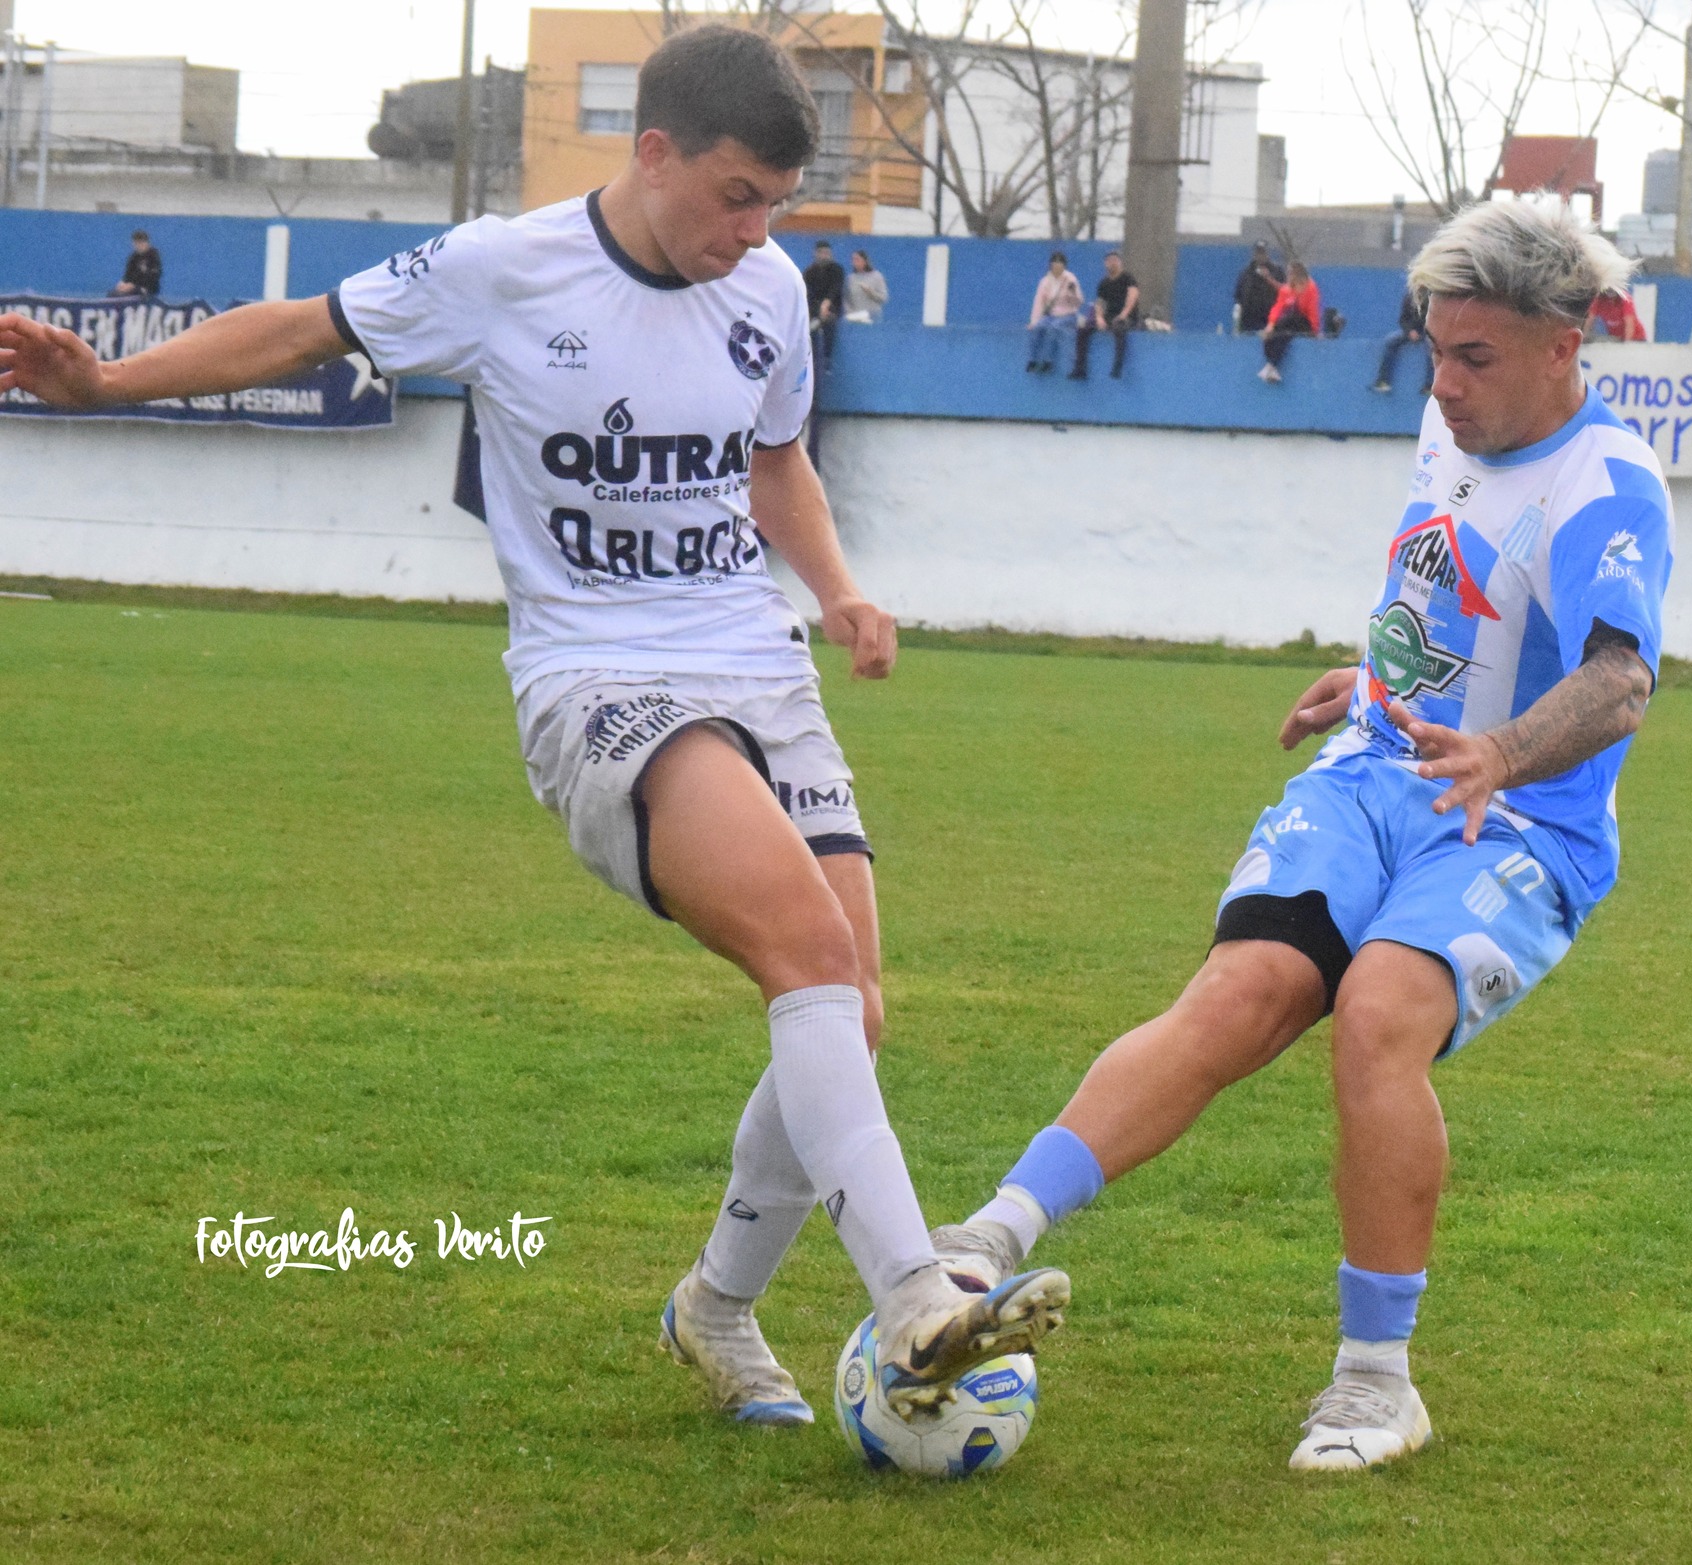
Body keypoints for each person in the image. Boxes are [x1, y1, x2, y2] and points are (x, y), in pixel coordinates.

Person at [0, 24, 1068, 1429]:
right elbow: (303, 326)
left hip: (756, 664)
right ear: (653, 153)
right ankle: (917, 1295)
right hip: (599, 680)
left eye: (779, 208)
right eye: (738, 196)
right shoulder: (505, 269)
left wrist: (844, 591)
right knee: (806, 954)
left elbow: (774, 459)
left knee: (849, 1012)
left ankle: (716, 1309)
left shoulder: (764, 295)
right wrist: (108, 386)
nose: (757, 233)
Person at [929, 199, 1670, 1474]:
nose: (1441, 384)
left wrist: (1492, 750)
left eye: (1474, 357)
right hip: (1376, 769)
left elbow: (1615, 678)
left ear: (1565, 341)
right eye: (1434, 350)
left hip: (1520, 815)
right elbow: (1448, 597)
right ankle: (986, 1237)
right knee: (1243, 989)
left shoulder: (1608, 482)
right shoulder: (1449, 430)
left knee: (1380, 1011)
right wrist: (1378, 679)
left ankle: (1374, 1383)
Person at [1071, 251, 1139, 380]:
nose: (1112, 263)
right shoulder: (1103, 283)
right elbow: (1100, 303)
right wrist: (1099, 318)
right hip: (1109, 316)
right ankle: (1080, 369)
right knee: (1083, 330)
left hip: (1127, 317)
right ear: (1105, 264)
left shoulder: (1128, 278)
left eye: (1115, 260)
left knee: (1119, 329)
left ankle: (1117, 367)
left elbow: (1133, 295)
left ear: (1120, 262)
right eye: (1109, 261)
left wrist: (1124, 314)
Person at [1257, 258, 1321, 384]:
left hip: (1305, 323)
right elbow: (1278, 307)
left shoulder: (1311, 288)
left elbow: (1313, 312)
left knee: (1289, 321)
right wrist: (1270, 325)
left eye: (1290, 274)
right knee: (1279, 332)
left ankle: (1271, 366)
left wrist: (1315, 331)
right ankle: (1271, 364)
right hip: (1292, 323)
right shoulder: (1287, 289)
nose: (1288, 276)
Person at [1026, 250, 1084, 373]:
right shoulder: (1045, 281)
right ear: (1050, 265)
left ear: (1064, 265)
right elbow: (1038, 302)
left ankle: (1048, 361)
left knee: (1054, 327)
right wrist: (1034, 321)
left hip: (1067, 315)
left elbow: (1079, 302)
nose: (1057, 265)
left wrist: (1072, 295)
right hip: (1051, 314)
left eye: (1060, 263)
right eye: (1054, 262)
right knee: (1038, 328)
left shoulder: (1070, 279)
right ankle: (1033, 360)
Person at [1372, 285, 1431, 394]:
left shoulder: (1433, 297)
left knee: (1432, 346)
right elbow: (1403, 319)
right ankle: (1383, 381)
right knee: (1390, 341)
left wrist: (1425, 331)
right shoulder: (1408, 297)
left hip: (1429, 332)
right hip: (1411, 331)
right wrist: (1410, 331)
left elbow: (1434, 318)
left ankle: (1429, 385)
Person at [803, 239, 846, 363]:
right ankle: (812, 359)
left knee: (830, 325)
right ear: (816, 253)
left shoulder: (837, 269)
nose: (824, 255)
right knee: (810, 332)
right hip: (814, 312)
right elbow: (808, 295)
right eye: (821, 252)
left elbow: (835, 289)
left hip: (832, 310)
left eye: (827, 252)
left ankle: (828, 359)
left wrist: (826, 305)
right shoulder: (809, 272)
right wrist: (817, 311)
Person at [1233, 241, 1281, 335]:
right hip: (1249, 323)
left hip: (1270, 322)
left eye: (1263, 253)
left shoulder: (1277, 272)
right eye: (1258, 253)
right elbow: (1238, 296)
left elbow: (1284, 292)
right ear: (1254, 254)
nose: (1260, 256)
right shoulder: (1246, 273)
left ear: (1267, 254)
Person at [111, 230, 161, 298]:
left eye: (140, 243)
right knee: (112, 294)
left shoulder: (154, 256)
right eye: (136, 244)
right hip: (133, 287)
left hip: (147, 289)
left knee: (131, 292)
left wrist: (135, 285)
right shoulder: (133, 257)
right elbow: (127, 275)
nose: (138, 246)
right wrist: (122, 283)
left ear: (147, 243)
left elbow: (154, 276)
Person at [843, 248, 887, 324]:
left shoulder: (877, 276)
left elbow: (883, 298)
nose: (854, 262)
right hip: (856, 318)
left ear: (865, 261)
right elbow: (846, 299)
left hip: (873, 317)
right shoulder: (850, 278)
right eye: (853, 260)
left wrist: (870, 292)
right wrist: (850, 313)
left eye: (857, 259)